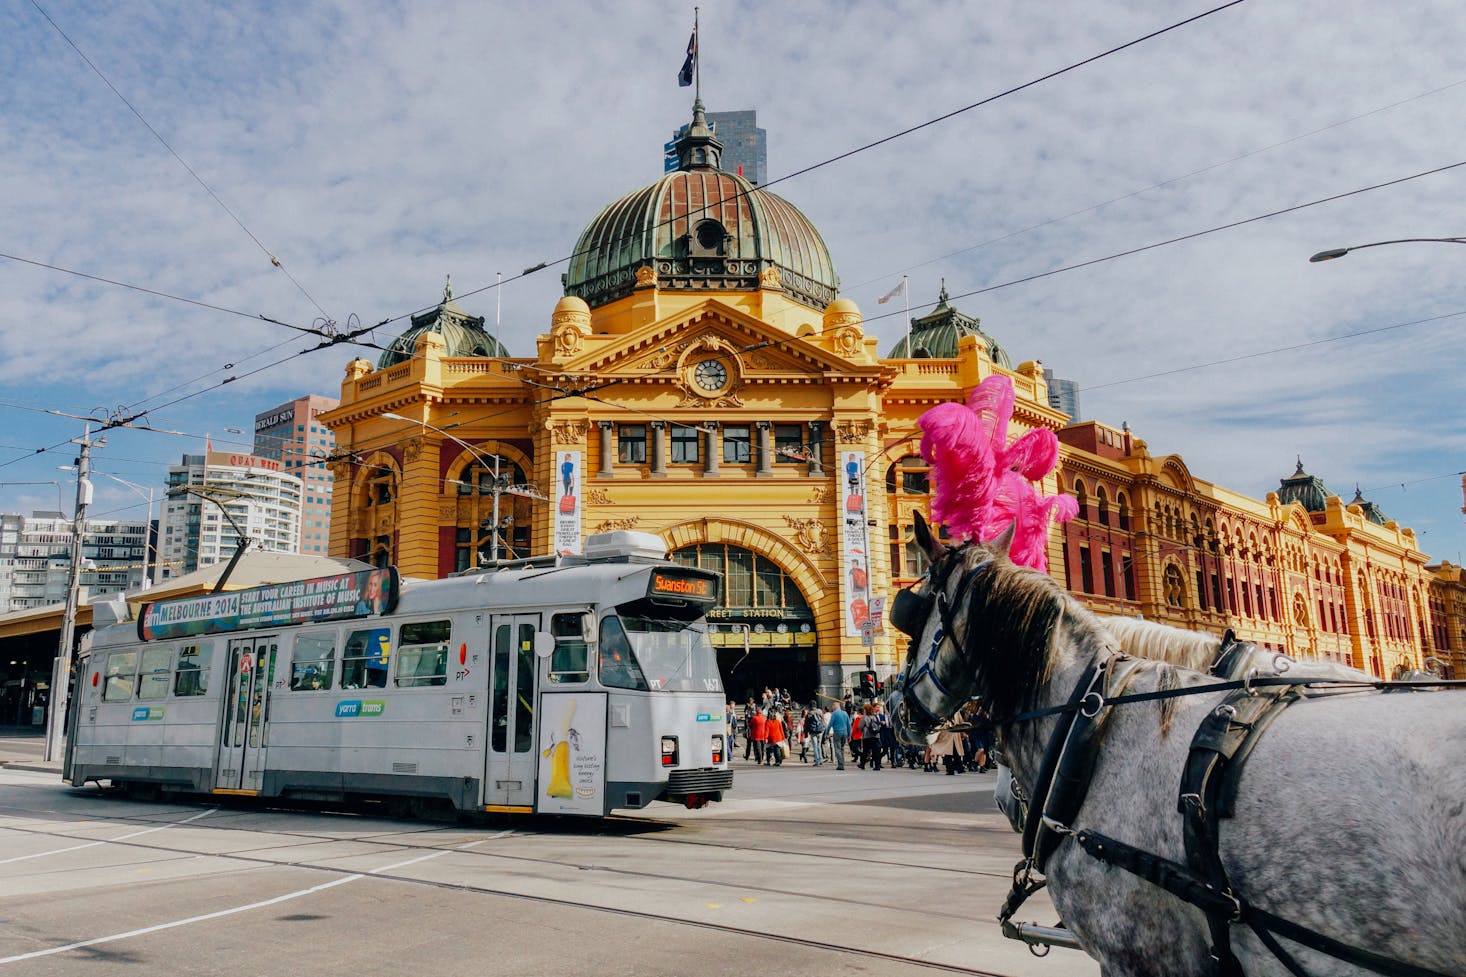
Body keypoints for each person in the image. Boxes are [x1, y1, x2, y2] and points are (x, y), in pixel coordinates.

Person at [826, 703, 851, 770]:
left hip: (837, 733)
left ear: (835, 707)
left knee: (837, 749)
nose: (832, 708)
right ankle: (842, 762)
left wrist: (827, 733)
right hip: (844, 733)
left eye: (833, 706)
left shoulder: (834, 714)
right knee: (842, 749)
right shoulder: (845, 713)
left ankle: (841, 764)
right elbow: (849, 724)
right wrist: (849, 735)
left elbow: (830, 724)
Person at [860, 703, 883, 770]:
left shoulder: (865, 717)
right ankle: (877, 766)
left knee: (865, 751)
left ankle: (862, 764)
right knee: (876, 751)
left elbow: (860, 726)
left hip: (867, 736)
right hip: (876, 736)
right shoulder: (875, 717)